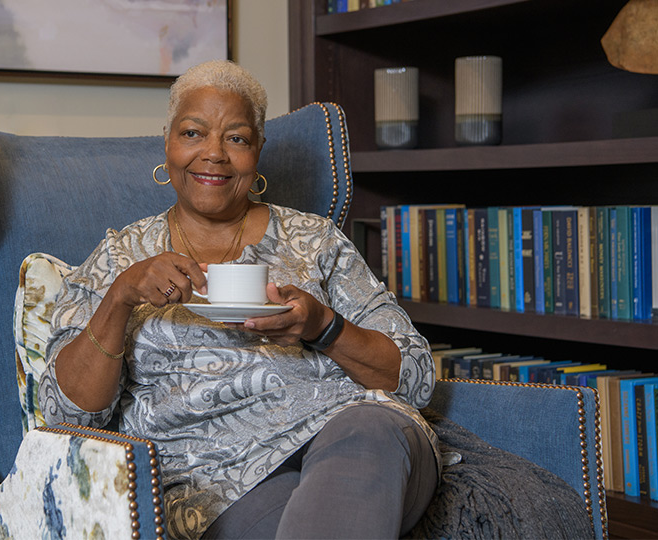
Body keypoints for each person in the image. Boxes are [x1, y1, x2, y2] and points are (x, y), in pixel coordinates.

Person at [39, 59, 440, 540]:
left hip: (353, 433)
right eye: (193, 133)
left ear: (258, 150)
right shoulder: (121, 257)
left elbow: (414, 377)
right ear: (167, 142)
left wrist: (322, 327)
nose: (214, 154)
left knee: (370, 432)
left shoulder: (316, 241)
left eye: (236, 138)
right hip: (215, 482)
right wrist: (121, 297)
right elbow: (67, 415)